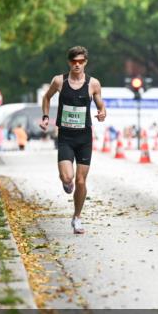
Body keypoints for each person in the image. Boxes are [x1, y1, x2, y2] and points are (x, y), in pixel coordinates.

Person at [39, 46, 106, 235]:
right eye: (74, 61)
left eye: (81, 61)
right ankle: (67, 183)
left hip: (84, 138)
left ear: (85, 62)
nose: (77, 65)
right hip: (66, 137)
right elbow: (47, 97)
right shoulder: (59, 81)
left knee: (81, 181)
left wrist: (102, 113)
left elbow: (101, 104)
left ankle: (77, 217)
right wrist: (45, 117)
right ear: (69, 62)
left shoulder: (93, 84)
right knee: (68, 178)